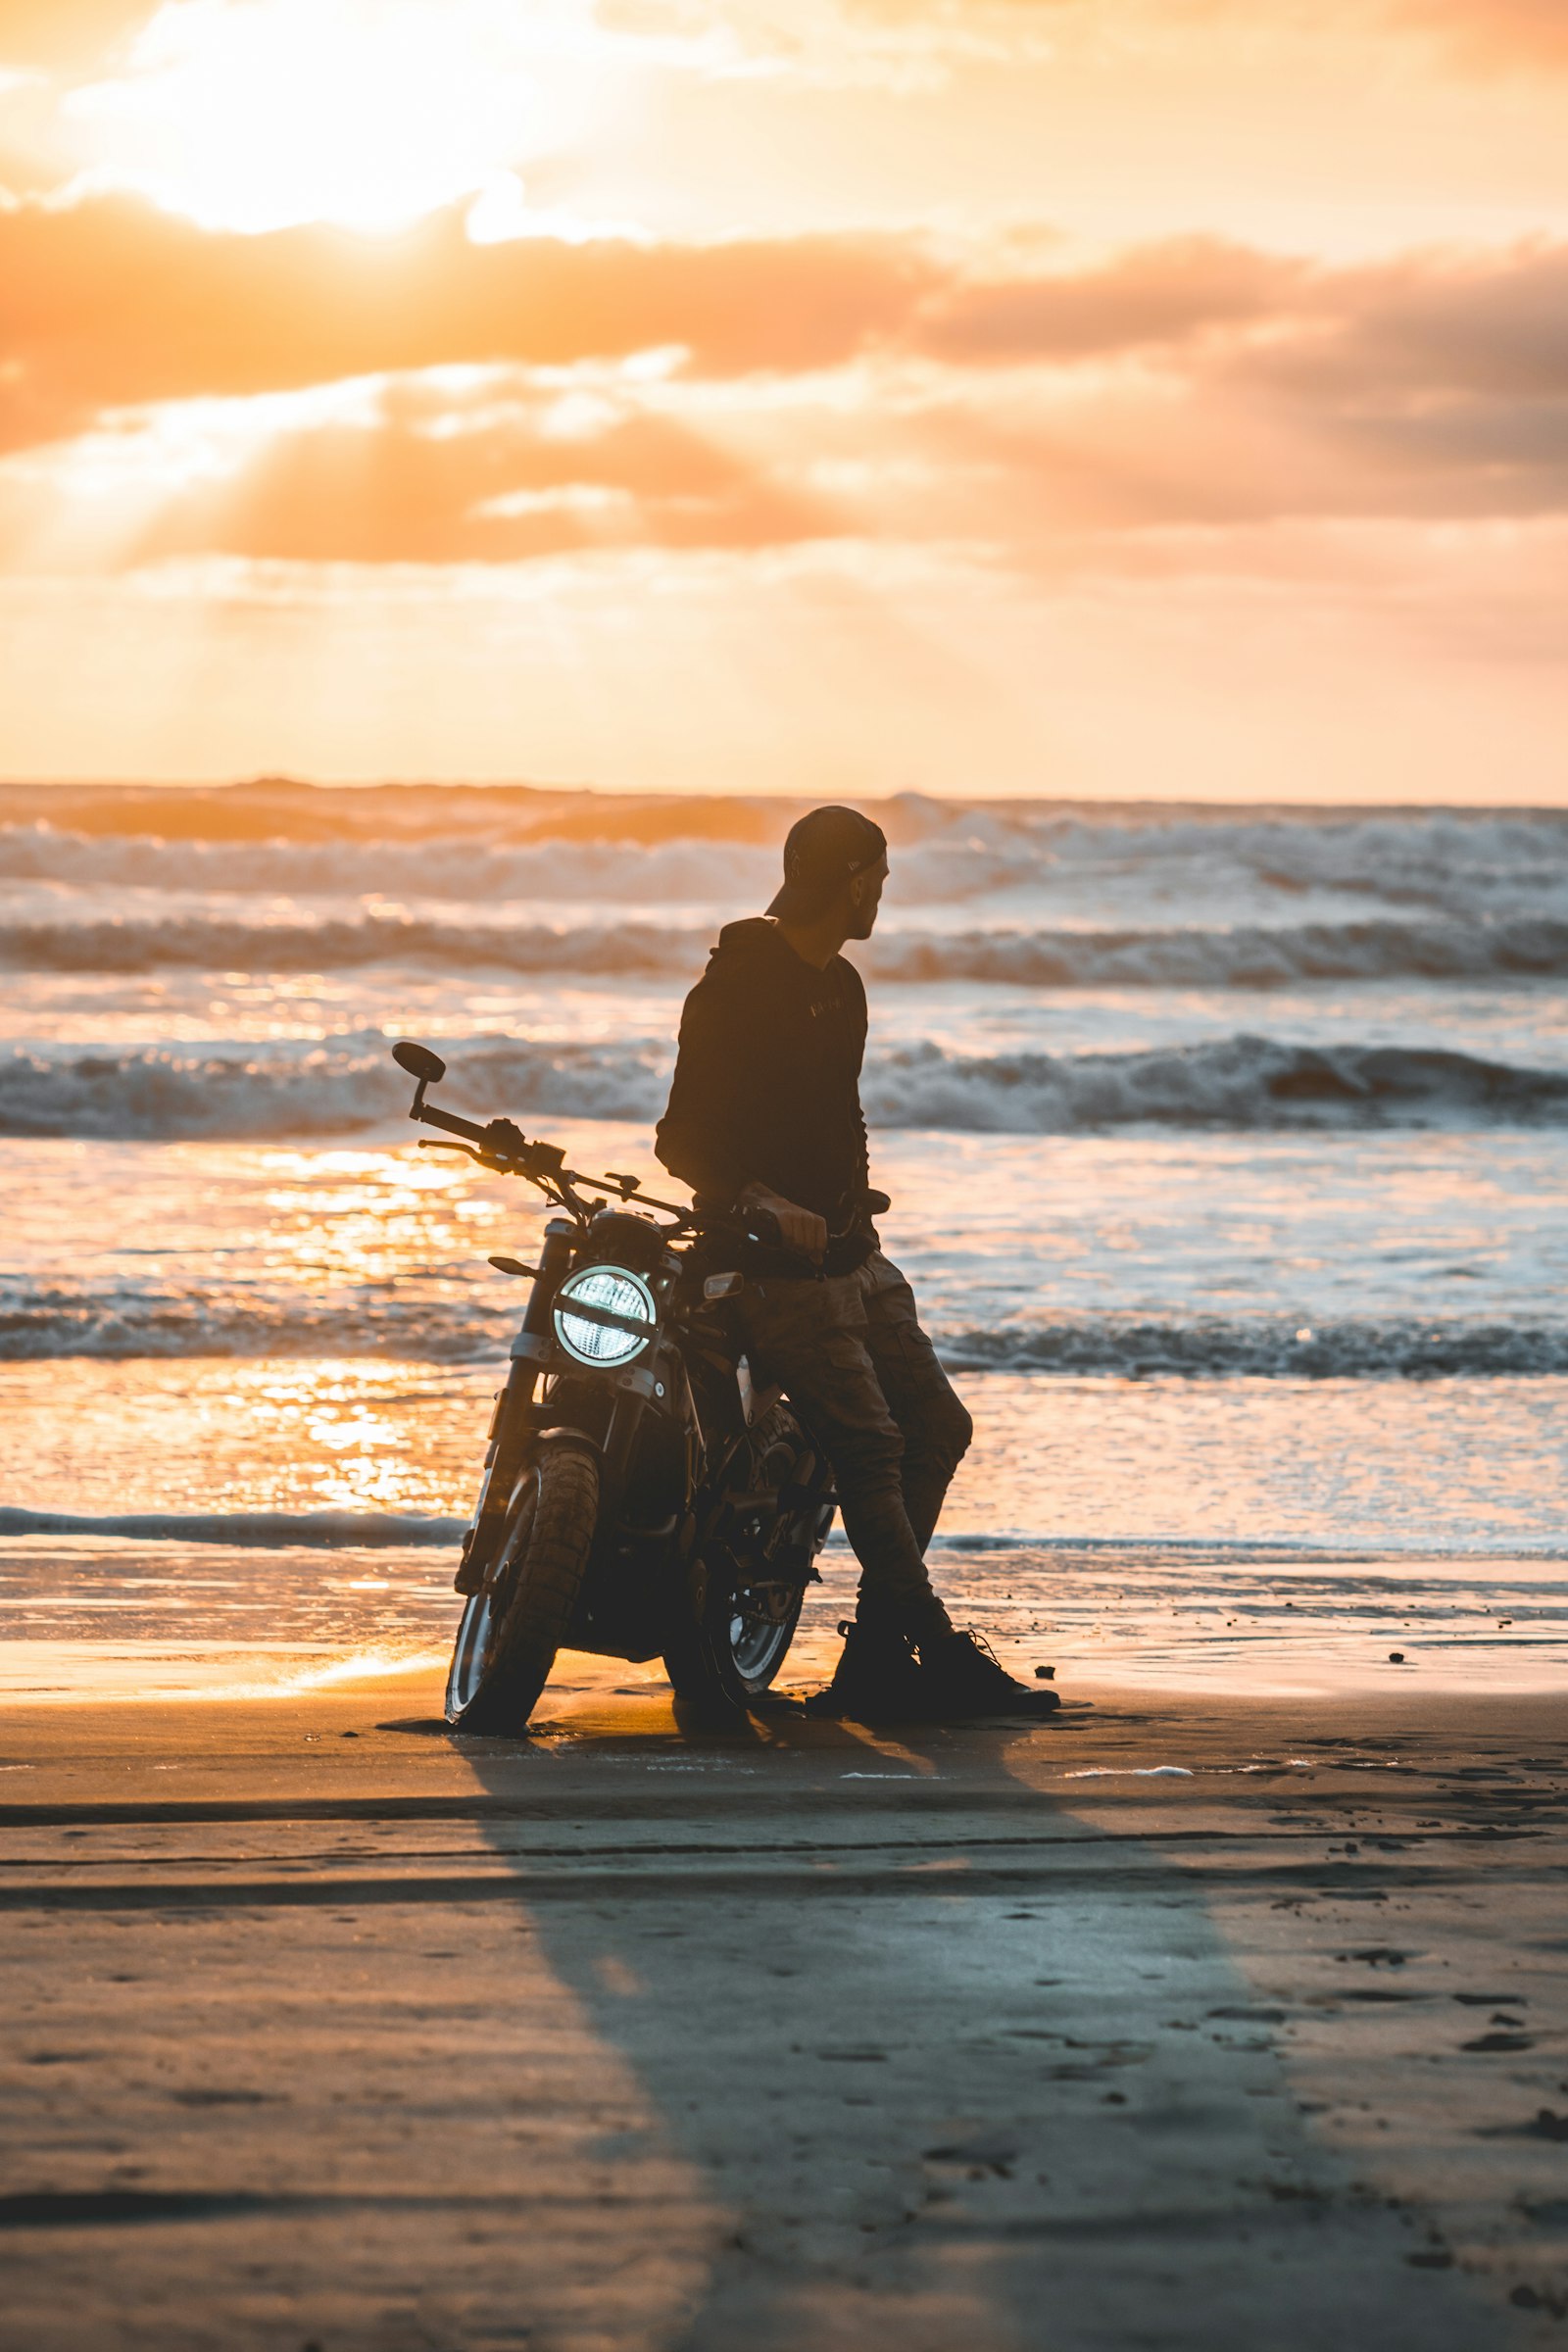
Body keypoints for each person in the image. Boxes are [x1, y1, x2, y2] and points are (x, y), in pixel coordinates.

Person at [656, 805, 1059, 1723]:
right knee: (872, 1448)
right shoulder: (732, 990)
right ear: (846, 878)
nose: (883, 893)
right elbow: (681, 1140)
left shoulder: (841, 986)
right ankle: (936, 1649)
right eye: (876, 875)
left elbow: (844, 1115)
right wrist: (763, 1202)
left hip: (854, 1262)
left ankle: (877, 1660)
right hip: (766, 1269)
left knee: (939, 1426)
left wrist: (854, 1199)